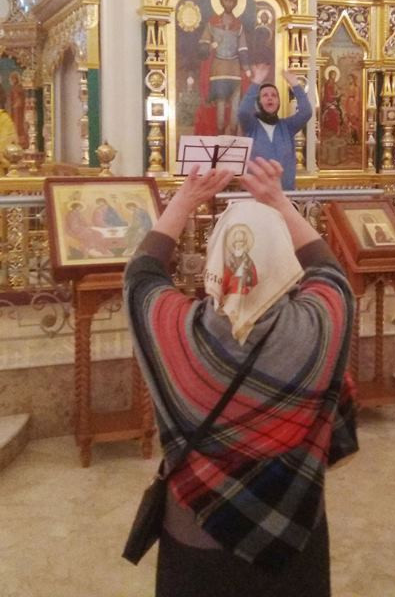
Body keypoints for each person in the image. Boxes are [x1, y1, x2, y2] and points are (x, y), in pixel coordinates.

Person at [123, 158, 358, 597]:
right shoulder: (317, 324)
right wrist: (278, 202)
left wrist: (185, 200)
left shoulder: (179, 330)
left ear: (216, 258)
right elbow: (331, 275)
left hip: (197, 530)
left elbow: (140, 276)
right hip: (292, 527)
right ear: (283, 257)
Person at [238, 63, 312, 190]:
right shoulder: (251, 125)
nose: (270, 98)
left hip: (284, 194)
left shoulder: (287, 127)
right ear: (258, 102)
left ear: (278, 102)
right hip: (256, 194)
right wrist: (256, 82)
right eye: (265, 95)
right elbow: (243, 112)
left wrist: (295, 85)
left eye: (274, 95)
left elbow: (306, 112)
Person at [194, 0, 252, 135]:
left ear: (235, 2)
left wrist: (246, 68)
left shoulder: (238, 25)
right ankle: (219, 136)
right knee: (220, 107)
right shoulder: (213, 23)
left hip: (234, 69)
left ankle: (233, 134)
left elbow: (243, 48)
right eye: (226, 0)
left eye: (232, 0)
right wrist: (211, 46)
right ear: (221, 1)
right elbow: (202, 47)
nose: (229, 3)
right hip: (218, 69)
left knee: (235, 105)